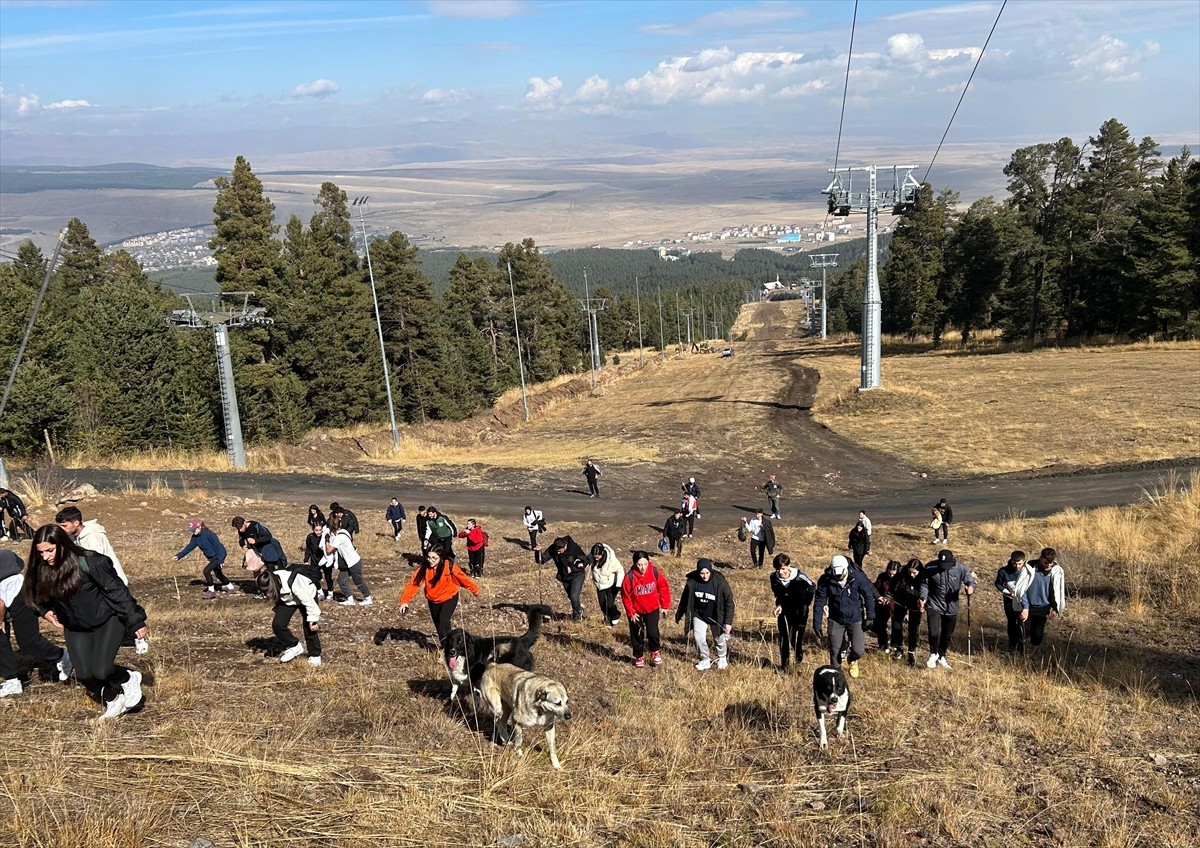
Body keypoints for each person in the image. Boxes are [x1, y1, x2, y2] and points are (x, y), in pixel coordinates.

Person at [24, 525, 148, 719]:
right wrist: (45, 611)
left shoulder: (90, 562)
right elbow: (32, 595)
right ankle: (114, 700)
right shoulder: (41, 569)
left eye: (50, 550)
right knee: (84, 675)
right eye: (41, 552)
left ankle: (129, 677)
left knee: (101, 671)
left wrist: (136, 621)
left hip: (107, 620)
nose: (45, 556)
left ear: (63, 545)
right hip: (75, 627)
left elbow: (117, 591)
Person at [0, 549, 68, 698]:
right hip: (14, 591)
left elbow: (0, 603)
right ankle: (11, 680)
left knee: (28, 641)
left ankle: (62, 657)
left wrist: (0, 620)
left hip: (18, 595)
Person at [812, 555, 878, 679]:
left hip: (855, 618)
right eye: (836, 575)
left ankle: (852, 660)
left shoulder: (858, 578)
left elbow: (868, 596)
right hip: (835, 619)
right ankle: (837, 676)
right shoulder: (825, 580)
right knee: (834, 650)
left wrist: (870, 616)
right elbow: (819, 602)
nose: (838, 578)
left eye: (841, 575)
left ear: (846, 569)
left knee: (859, 650)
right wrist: (817, 623)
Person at [399, 548, 479, 647]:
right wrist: (405, 601)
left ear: (441, 558)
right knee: (440, 626)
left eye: (434, 558)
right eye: (428, 557)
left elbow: (463, 578)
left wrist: (475, 589)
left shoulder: (449, 566)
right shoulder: (424, 568)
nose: (430, 560)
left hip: (449, 597)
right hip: (433, 600)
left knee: (443, 622)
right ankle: (451, 646)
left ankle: (448, 650)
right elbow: (413, 584)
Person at [919, 549, 976, 670]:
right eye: (941, 564)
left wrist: (970, 588)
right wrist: (923, 597)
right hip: (934, 604)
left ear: (952, 561)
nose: (944, 567)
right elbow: (924, 584)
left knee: (947, 633)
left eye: (946, 565)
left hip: (952, 606)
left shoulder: (960, 568)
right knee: (934, 632)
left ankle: (942, 655)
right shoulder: (930, 567)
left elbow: (970, 581)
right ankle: (933, 653)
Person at [675, 558, 735, 671]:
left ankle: (722, 658)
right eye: (702, 573)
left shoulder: (719, 582)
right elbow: (685, 600)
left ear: (710, 571)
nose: (705, 576)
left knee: (719, 638)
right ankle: (704, 659)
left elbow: (729, 601)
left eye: (707, 573)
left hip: (715, 614)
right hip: (699, 614)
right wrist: (679, 614)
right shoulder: (692, 582)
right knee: (698, 638)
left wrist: (728, 622)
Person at [620, 553, 671, 668]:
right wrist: (631, 612)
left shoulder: (654, 572)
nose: (643, 568)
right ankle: (639, 656)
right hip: (636, 611)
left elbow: (663, 587)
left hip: (652, 608)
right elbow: (625, 596)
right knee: (637, 633)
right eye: (639, 565)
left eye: (645, 564)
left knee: (653, 632)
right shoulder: (629, 577)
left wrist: (665, 605)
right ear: (634, 564)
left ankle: (655, 651)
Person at [268, 559, 323, 666]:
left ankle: (315, 655)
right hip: (289, 600)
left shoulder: (296, 584)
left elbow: (310, 603)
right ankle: (295, 646)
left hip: (307, 596)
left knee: (309, 626)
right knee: (278, 624)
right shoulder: (270, 579)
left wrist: (313, 621)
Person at [56, 506, 129, 585]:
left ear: (76, 523)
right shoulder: (74, 536)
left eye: (64, 526)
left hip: (111, 583)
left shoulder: (93, 538)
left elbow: (96, 565)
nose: (62, 529)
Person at [1013, 547, 1066, 650]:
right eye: (1046, 562)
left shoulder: (1056, 571)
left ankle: (1031, 653)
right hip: (1028, 606)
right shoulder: (1029, 567)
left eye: (1051, 563)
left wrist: (1055, 608)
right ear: (1041, 558)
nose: (1048, 565)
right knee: (1023, 632)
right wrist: (1025, 607)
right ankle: (1019, 654)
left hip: (1043, 607)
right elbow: (1022, 589)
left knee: (1037, 634)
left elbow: (1056, 591)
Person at [770, 554, 815, 673]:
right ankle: (784, 666)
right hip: (784, 610)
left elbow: (812, 587)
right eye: (777, 569)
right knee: (784, 637)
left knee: (796, 638)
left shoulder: (800, 577)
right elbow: (778, 593)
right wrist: (779, 605)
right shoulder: (773, 577)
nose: (780, 572)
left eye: (783, 569)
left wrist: (806, 603)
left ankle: (798, 658)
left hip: (800, 611)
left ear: (789, 566)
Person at [172, 519, 235, 599]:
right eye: (192, 530)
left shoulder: (210, 534)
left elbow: (218, 546)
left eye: (194, 530)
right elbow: (189, 547)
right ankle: (231, 588)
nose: (193, 532)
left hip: (219, 555)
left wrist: (220, 560)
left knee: (206, 571)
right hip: (211, 557)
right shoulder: (195, 538)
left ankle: (211, 591)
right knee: (218, 574)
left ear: (199, 527)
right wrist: (179, 556)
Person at [325, 514, 372, 606]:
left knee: (358, 581)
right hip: (349, 563)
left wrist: (327, 540)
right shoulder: (344, 532)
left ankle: (368, 598)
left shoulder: (339, 537)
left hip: (353, 562)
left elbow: (329, 550)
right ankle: (350, 599)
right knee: (341, 580)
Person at [890, 558, 926, 666]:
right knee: (896, 624)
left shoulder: (924, 576)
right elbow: (893, 583)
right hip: (901, 600)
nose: (911, 575)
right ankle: (898, 647)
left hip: (916, 603)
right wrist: (889, 594)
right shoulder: (902, 571)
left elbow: (926, 590)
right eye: (910, 572)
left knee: (913, 628)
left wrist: (924, 603)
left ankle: (911, 650)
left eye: (914, 573)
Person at [995, 550, 1029, 651]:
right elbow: (998, 584)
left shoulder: (1028, 571)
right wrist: (1005, 591)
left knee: (1024, 623)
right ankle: (1013, 646)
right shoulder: (1003, 571)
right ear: (1011, 561)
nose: (1017, 566)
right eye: (1015, 563)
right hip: (1009, 601)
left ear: (1024, 561)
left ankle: (1024, 646)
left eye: (1020, 564)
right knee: (1012, 623)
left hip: (1025, 602)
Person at [549, 536, 589, 621]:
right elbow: (541, 559)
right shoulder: (554, 548)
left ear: (565, 546)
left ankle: (578, 614)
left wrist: (573, 568)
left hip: (578, 575)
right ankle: (578, 611)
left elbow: (585, 562)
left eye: (560, 551)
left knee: (574, 597)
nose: (558, 553)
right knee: (571, 597)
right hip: (565, 577)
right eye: (557, 552)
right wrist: (537, 551)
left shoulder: (574, 549)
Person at [590, 542, 625, 627]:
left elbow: (620, 570)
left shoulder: (611, 560)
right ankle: (608, 619)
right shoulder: (592, 557)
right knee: (602, 605)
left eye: (598, 557)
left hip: (611, 584)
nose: (596, 559)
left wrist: (618, 584)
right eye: (595, 557)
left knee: (609, 604)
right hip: (600, 584)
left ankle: (615, 616)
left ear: (602, 553)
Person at [871, 560, 902, 653]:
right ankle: (883, 645)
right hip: (882, 605)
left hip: (896, 606)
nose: (891, 575)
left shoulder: (901, 579)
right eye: (889, 573)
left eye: (893, 574)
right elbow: (876, 588)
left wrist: (890, 600)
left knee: (896, 627)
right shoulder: (882, 577)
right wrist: (879, 598)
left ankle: (897, 647)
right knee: (879, 625)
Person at [304, 517, 336, 601]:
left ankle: (330, 593)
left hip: (325, 559)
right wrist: (306, 559)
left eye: (320, 530)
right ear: (313, 530)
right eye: (316, 530)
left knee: (328, 577)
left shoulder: (326, 536)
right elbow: (308, 549)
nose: (318, 532)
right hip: (315, 560)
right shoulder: (310, 537)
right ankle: (320, 592)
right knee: (314, 577)